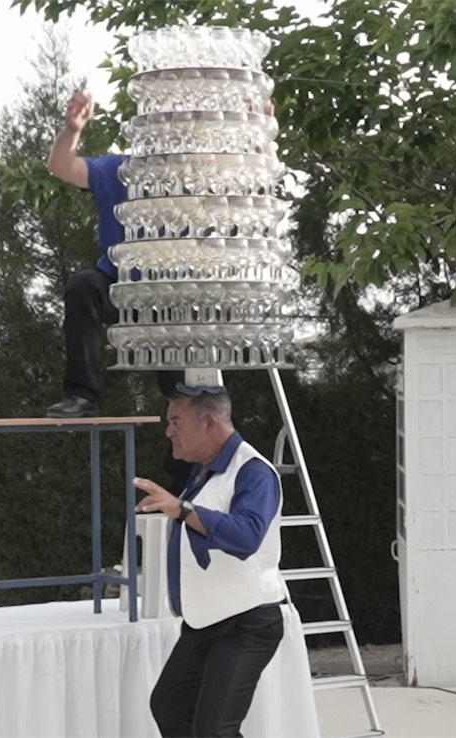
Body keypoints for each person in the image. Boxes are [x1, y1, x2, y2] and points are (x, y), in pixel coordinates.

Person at [44, 88, 192, 492]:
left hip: (171, 295)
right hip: (119, 285)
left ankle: (186, 469)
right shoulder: (115, 170)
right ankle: (81, 396)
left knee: (188, 386)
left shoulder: (191, 178)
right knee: (82, 286)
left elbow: (247, 175)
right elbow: (60, 166)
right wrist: (72, 129)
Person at [133, 376, 287, 737]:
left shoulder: (254, 471)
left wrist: (181, 509)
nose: (168, 431)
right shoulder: (205, 470)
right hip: (207, 622)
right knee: (169, 706)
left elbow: (247, 535)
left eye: (176, 421)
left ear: (210, 423)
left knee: (215, 729)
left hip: (248, 622)